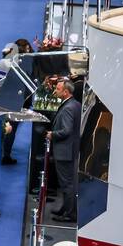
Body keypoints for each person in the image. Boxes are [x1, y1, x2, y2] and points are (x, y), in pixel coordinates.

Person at [48, 78, 82, 222]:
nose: (55, 91)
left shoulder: (68, 108)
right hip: (70, 150)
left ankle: (70, 214)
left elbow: (66, 130)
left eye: (58, 89)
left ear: (66, 92)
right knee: (67, 183)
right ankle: (66, 209)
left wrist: (52, 134)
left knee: (67, 184)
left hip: (64, 152)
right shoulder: (75, 104)